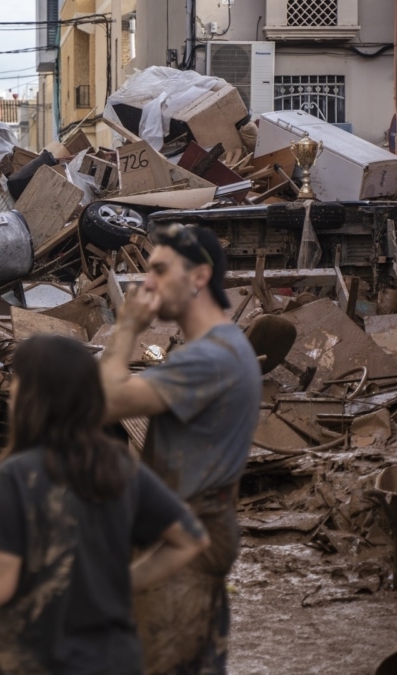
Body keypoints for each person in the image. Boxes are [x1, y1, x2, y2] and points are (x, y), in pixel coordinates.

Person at [0, 334, 209, 674]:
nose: (12, 389)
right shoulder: (119, 464)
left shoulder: (17, 474)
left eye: (19, 379)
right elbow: (191, 539)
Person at [98, 223, 262, 674]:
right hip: (199, 523)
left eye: (160, 270)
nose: (147, 282)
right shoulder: (222, 346)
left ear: (199, 277)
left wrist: (127, 328)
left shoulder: (208, 359)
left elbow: (106, 402)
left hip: (188, 534)